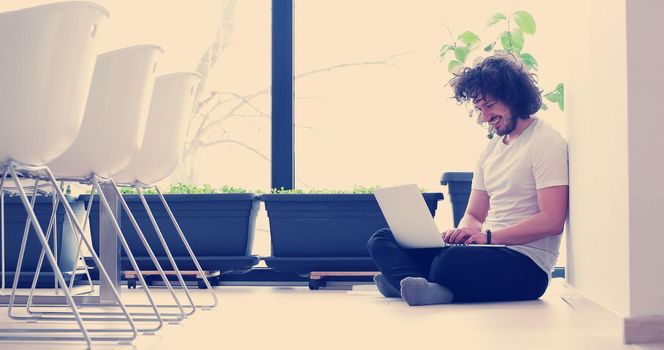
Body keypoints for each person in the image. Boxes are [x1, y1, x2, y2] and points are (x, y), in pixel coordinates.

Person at [367, 54, 569, 306]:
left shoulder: (544, 142)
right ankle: (417, 285)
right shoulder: (491, 150)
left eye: (490, 106)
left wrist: (488, 238)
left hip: (527, 265)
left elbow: (552, 220)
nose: (485, 117)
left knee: (449, 263)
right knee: (382, 239)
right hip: (487, 250)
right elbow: (474, 214)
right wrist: (462, 234)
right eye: (479, 108)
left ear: (513, 97)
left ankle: (404, 280)